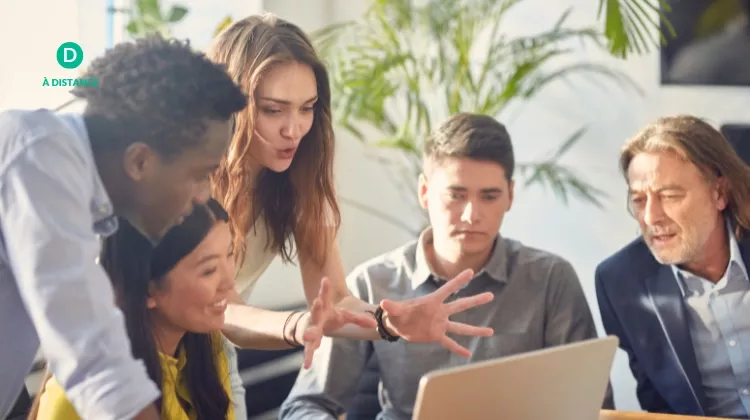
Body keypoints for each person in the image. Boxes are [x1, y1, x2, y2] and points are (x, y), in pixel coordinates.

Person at [206, 15, 496, 418]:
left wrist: (388, 322)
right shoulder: (193, 180)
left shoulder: (301, 175)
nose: (294, 129)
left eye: (306, 109)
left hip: (212, 360)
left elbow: (336, 298)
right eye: (274, 110)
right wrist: (299, 326)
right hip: (138, 352)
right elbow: (222, 308)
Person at [278, 113, 614, 419]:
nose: (471, 215)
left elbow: (594, 405)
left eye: (489, 196)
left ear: (510, 196)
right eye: (456, 195)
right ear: (425, 192)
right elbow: (305, 406)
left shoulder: (550, 280)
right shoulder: (372, 283)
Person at [0, 35, 247, 419]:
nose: (203, 197)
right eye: (199, 175)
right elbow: (94, 357)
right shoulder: (40, 155)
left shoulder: (84, 201)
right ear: (140, 163)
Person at [595, 115, 750, 417]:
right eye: (639, 200)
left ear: (719, 193)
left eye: (669, 196)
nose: (651, 217)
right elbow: (660, 404)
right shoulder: (619, 282)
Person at [30, 198, 236, 420]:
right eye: (209, 270)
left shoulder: (204, 348)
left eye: (231, 253)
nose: (229, 282)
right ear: (147, 289)